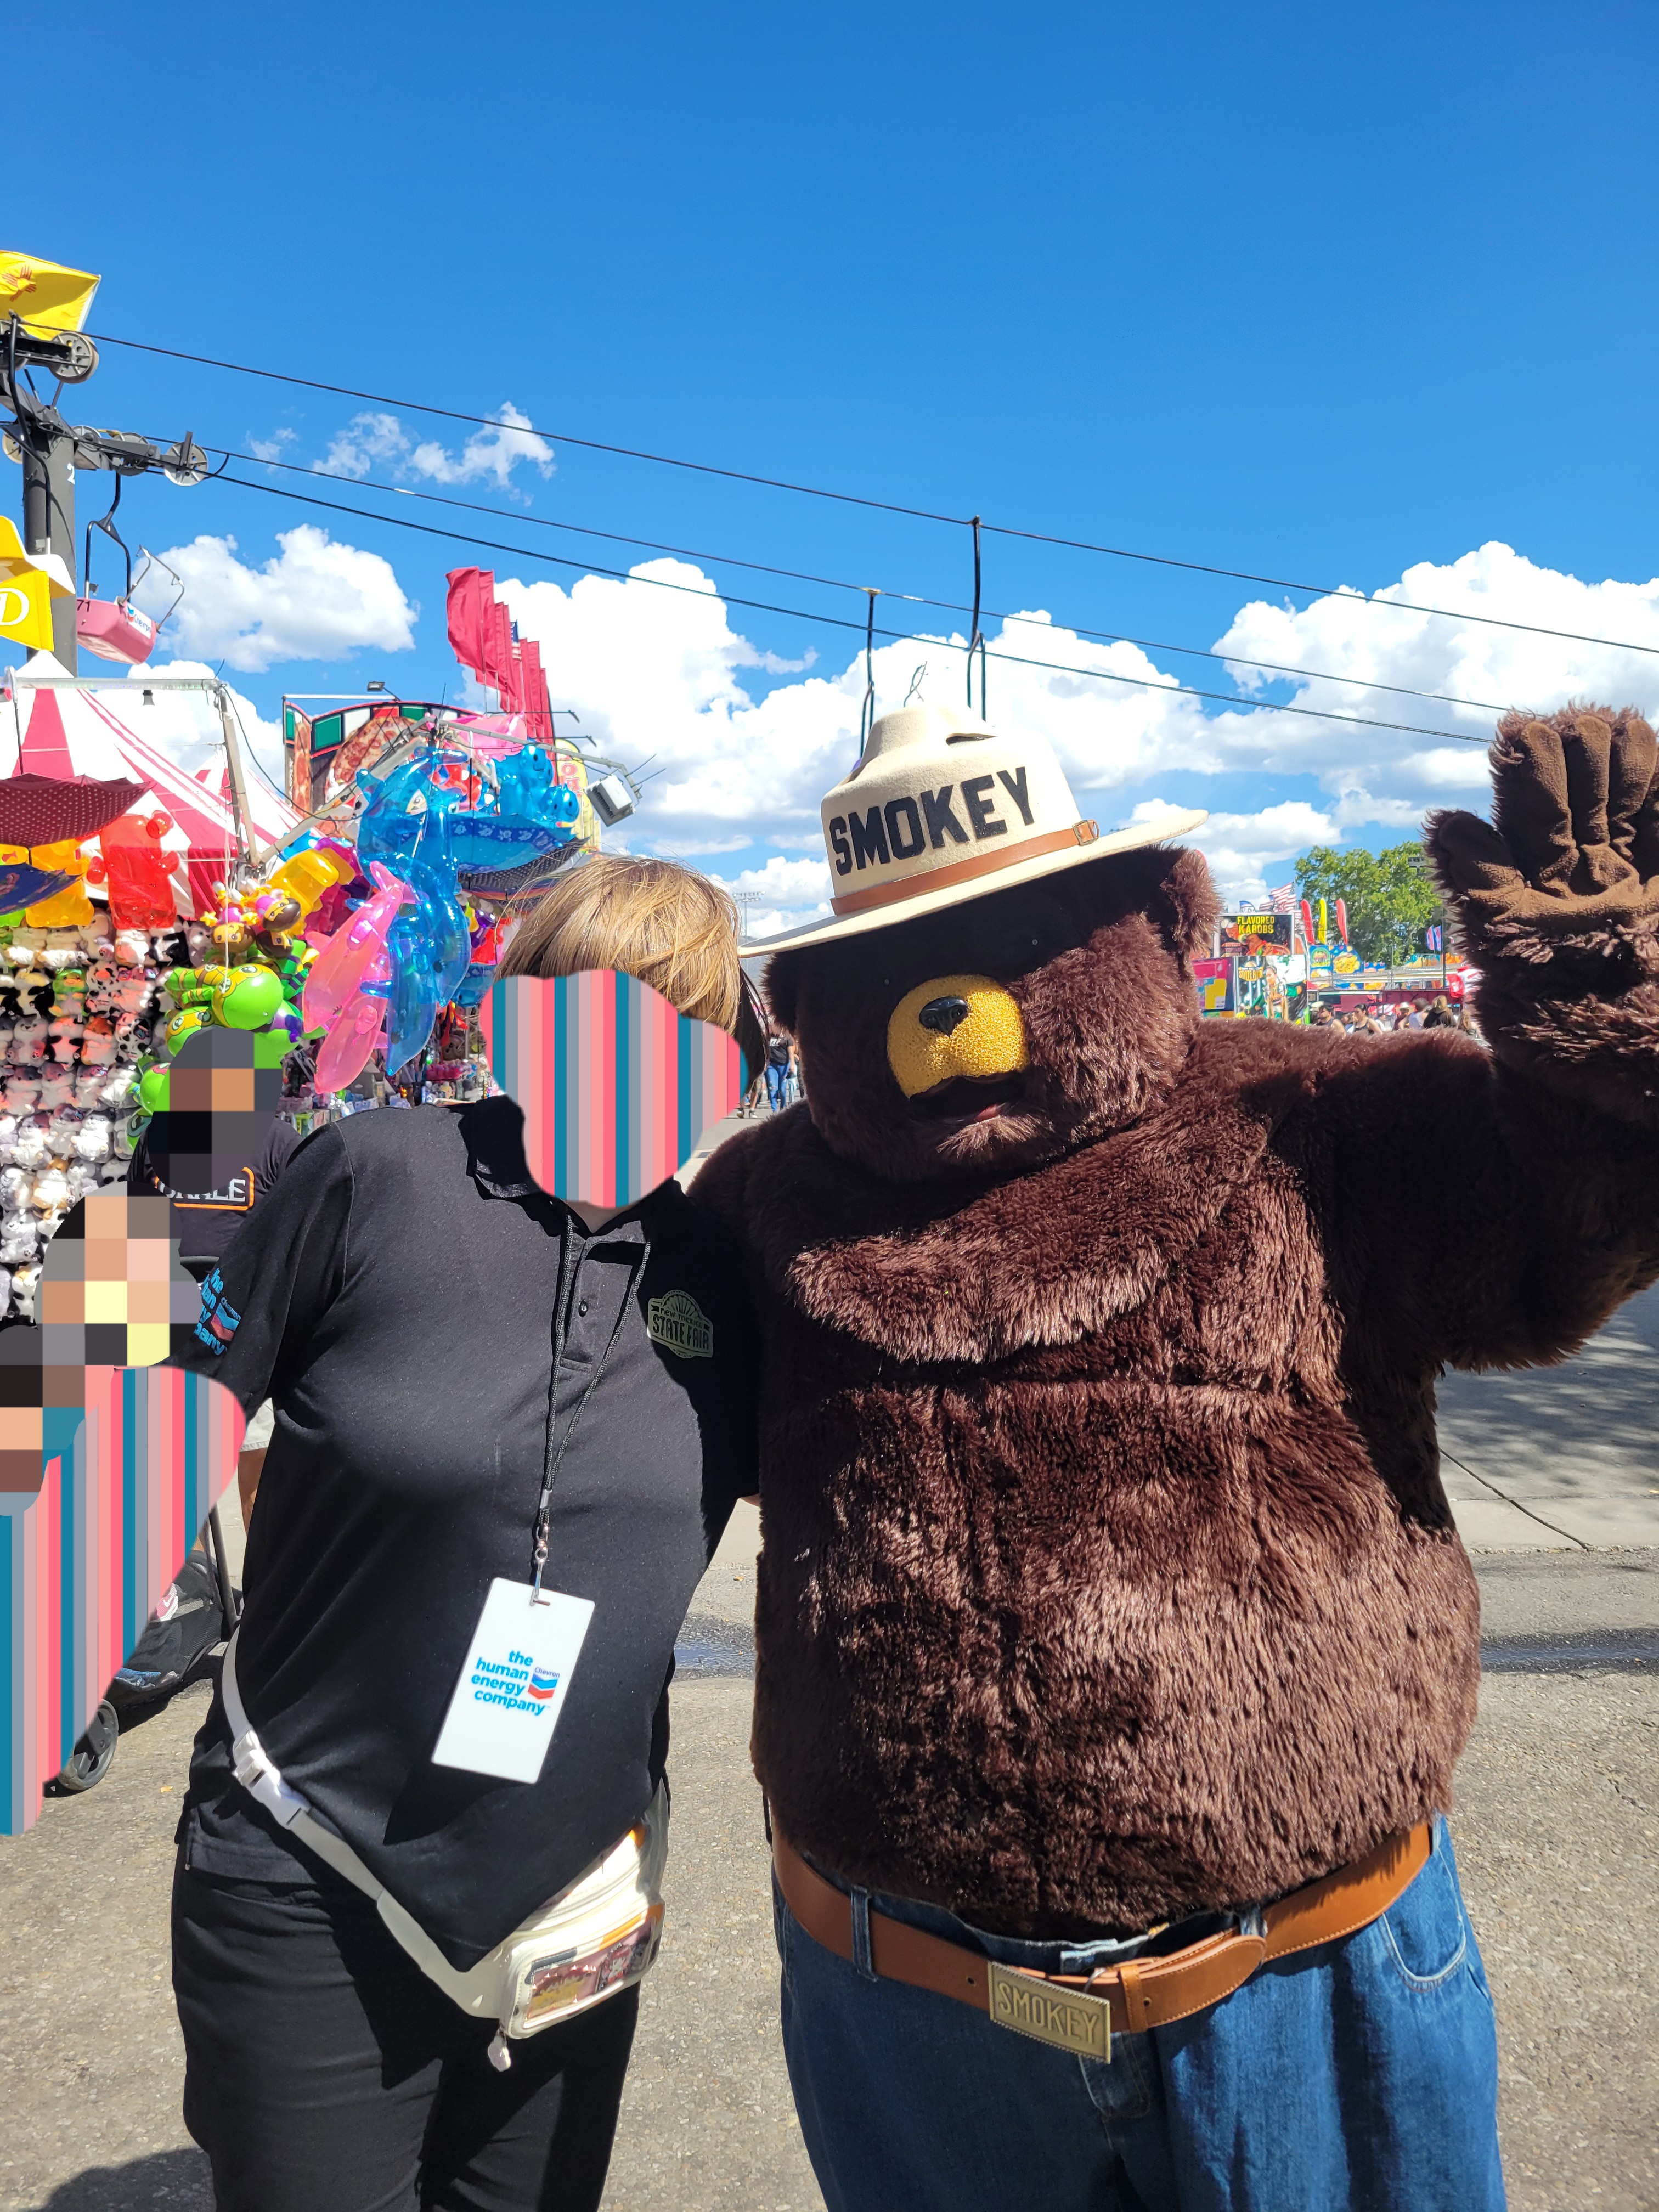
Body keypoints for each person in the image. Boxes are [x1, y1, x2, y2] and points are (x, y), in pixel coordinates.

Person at [166, 853, 763, 2212]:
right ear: (521, 1014)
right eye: (584, 1007)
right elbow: (139, 1407)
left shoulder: (728, 1271)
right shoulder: (369, 1176)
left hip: (578, 1891)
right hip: (308, 1854)